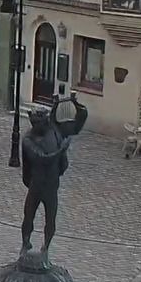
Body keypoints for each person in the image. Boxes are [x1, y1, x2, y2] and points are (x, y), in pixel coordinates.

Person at [20, 92, 87, 255]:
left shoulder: (54, 130)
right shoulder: (28, 140)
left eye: (43, 123)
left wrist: (75, 104)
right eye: (38, 124)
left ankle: (46, 248)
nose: (41, 126)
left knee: (51, 219)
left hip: (51, 186)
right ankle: (25, 244)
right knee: (28, 216)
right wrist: (62, 149)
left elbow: (79, 122)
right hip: (36, 185)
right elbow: (42, 158)